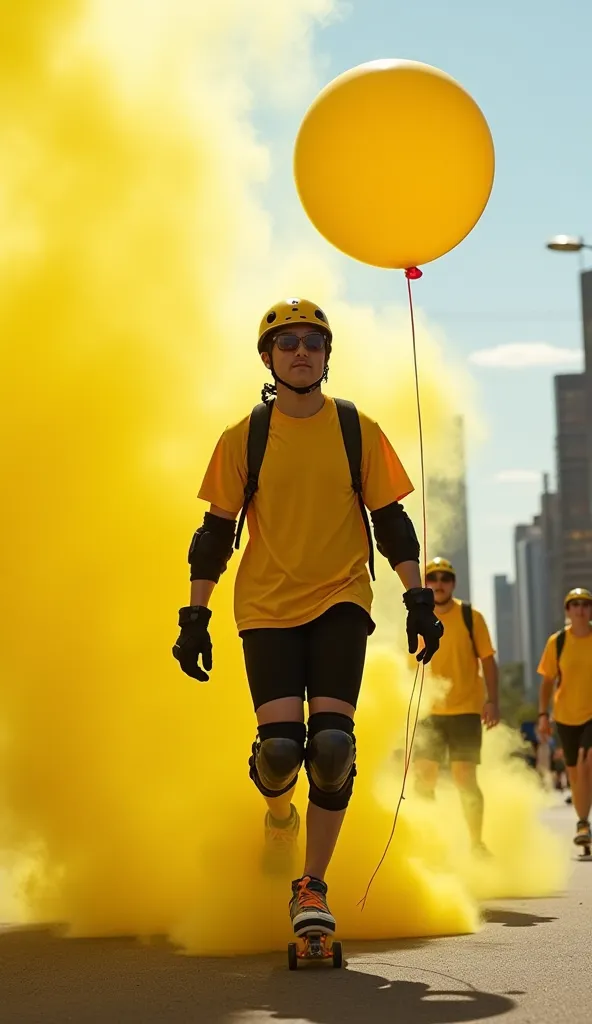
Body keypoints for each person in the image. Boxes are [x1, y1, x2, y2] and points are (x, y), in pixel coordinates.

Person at [172, 297, 443, 940]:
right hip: (265, 606)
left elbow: (393, 522)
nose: (300, 351)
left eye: (312, 342)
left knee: (329, 748)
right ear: (268, 357)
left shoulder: (357, 429)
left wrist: (418, 600)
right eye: (287, 342)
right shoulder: (244, 437)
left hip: (341, 598)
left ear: (326, 356)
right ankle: (278, 816)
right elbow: (214, 534)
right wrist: (194, 616)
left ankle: (311, 885)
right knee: (280, 752)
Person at [413, 557, 500, 855]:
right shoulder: (418, 616)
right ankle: (428, 845)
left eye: (445, 578)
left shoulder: (470, 616)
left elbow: (488, 660)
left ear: (453, 583)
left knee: (465, 778)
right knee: (424, 778)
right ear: (425, 584)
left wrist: (493, 701)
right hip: (428, 711)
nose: (439, 583)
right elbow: (408, 665)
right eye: (433, 578)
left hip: (465, 710)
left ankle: (476, 843)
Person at [537, 587, 592, 850]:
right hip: (566, 717)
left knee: (586, 758)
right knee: (575, 775)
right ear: (567, 610)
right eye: (575, 604)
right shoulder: (557, 642)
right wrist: (542, 715)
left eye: (585, 604)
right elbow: (547, 681)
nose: (581, 609)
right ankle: (583, 823)